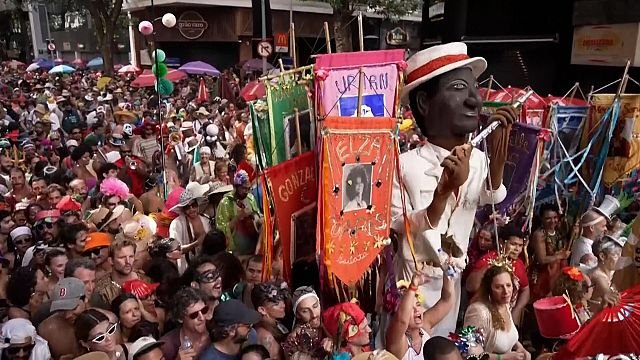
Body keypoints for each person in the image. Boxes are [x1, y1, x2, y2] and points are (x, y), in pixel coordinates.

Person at [392, 42, 513, 336]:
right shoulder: (403, 165)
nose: (475, 101)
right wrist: (443, 191)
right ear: (423, 103)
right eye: (459, 88)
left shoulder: (479, 160)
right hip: (412, 291)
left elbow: (492, 195)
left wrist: (497, 160)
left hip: (451, 288)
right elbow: (401, 226)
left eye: (475, 89)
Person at [465, 224, 530, 325]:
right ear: (501, 243)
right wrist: (492, 265)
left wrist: (517, 310)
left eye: (520, 245)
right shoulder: (487, 260)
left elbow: (525, 289)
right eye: (513, 244)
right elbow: (470, 286)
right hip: (485, 318)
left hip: (507, 318)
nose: (517, 249)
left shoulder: (519, 263)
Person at [463, 263, 530, 359]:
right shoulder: (478, 312)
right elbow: (470, 353)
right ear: (489, 289)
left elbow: (507, 338)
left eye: (508, 285)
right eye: (499, 287)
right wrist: (503, 358)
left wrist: (521, 349)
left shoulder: (505, 305)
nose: (506, 291)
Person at [386, 272, 454, 360]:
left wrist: (448, 271)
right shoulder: (395, 339)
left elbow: (446, 300)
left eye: (418, 304)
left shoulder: (425, 325)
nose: (417, 310)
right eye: (411, 308)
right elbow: (402, 321)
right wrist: (413, 286)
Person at [92, 238, 150, 309]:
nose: (128, 261)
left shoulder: (146, 280)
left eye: (131, 256)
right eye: (122, 257)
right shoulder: (101, 291)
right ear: (111, 261)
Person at [38, 277, 88, 359]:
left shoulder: (104, 321)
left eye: (73, 308)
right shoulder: (46, 329)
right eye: (62, 310)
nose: (67, 316)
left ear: (85, 299)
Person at [216, 170, 262, 257]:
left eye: (248, 188)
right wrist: (238, 217)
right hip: (235, 252)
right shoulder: (225, 203)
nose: (247, 191)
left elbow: (257, 216)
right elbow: (221, 229)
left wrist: (259, 219)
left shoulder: (250, 198)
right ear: (236, 187)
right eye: (244, 188)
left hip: (253, 247)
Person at [530, 203, 570, 302]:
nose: (552, 221)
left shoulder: (558, 231)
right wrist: (560, 256)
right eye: (548, 218)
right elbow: (542, 259)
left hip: (557, 274)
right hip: (544, 277)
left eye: (555, 217)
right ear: (542, 219)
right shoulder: (539, 235)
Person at [160, 287, 211, 359]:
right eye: (194, 315)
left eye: (204, 310)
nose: (202, 318)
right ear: (180, 318)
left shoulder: (215, 332)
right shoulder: (167, 345)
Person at [282, 287, 331, 360]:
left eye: (315, 306)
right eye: (305, 311)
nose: (314, 314)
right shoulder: (294, 339)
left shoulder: (329, 322)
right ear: (297, 314)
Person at [251, 283, 288, 359]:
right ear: (262, 310)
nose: (283, 305)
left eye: (281, 300)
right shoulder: (266, 337)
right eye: (276, 304)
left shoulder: (276, 323)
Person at [589, 235, 624, 314]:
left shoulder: (609, 273)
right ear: (602, 256)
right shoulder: (599, 277)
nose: (620, 259)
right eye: (616, 255)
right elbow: (610, 295)